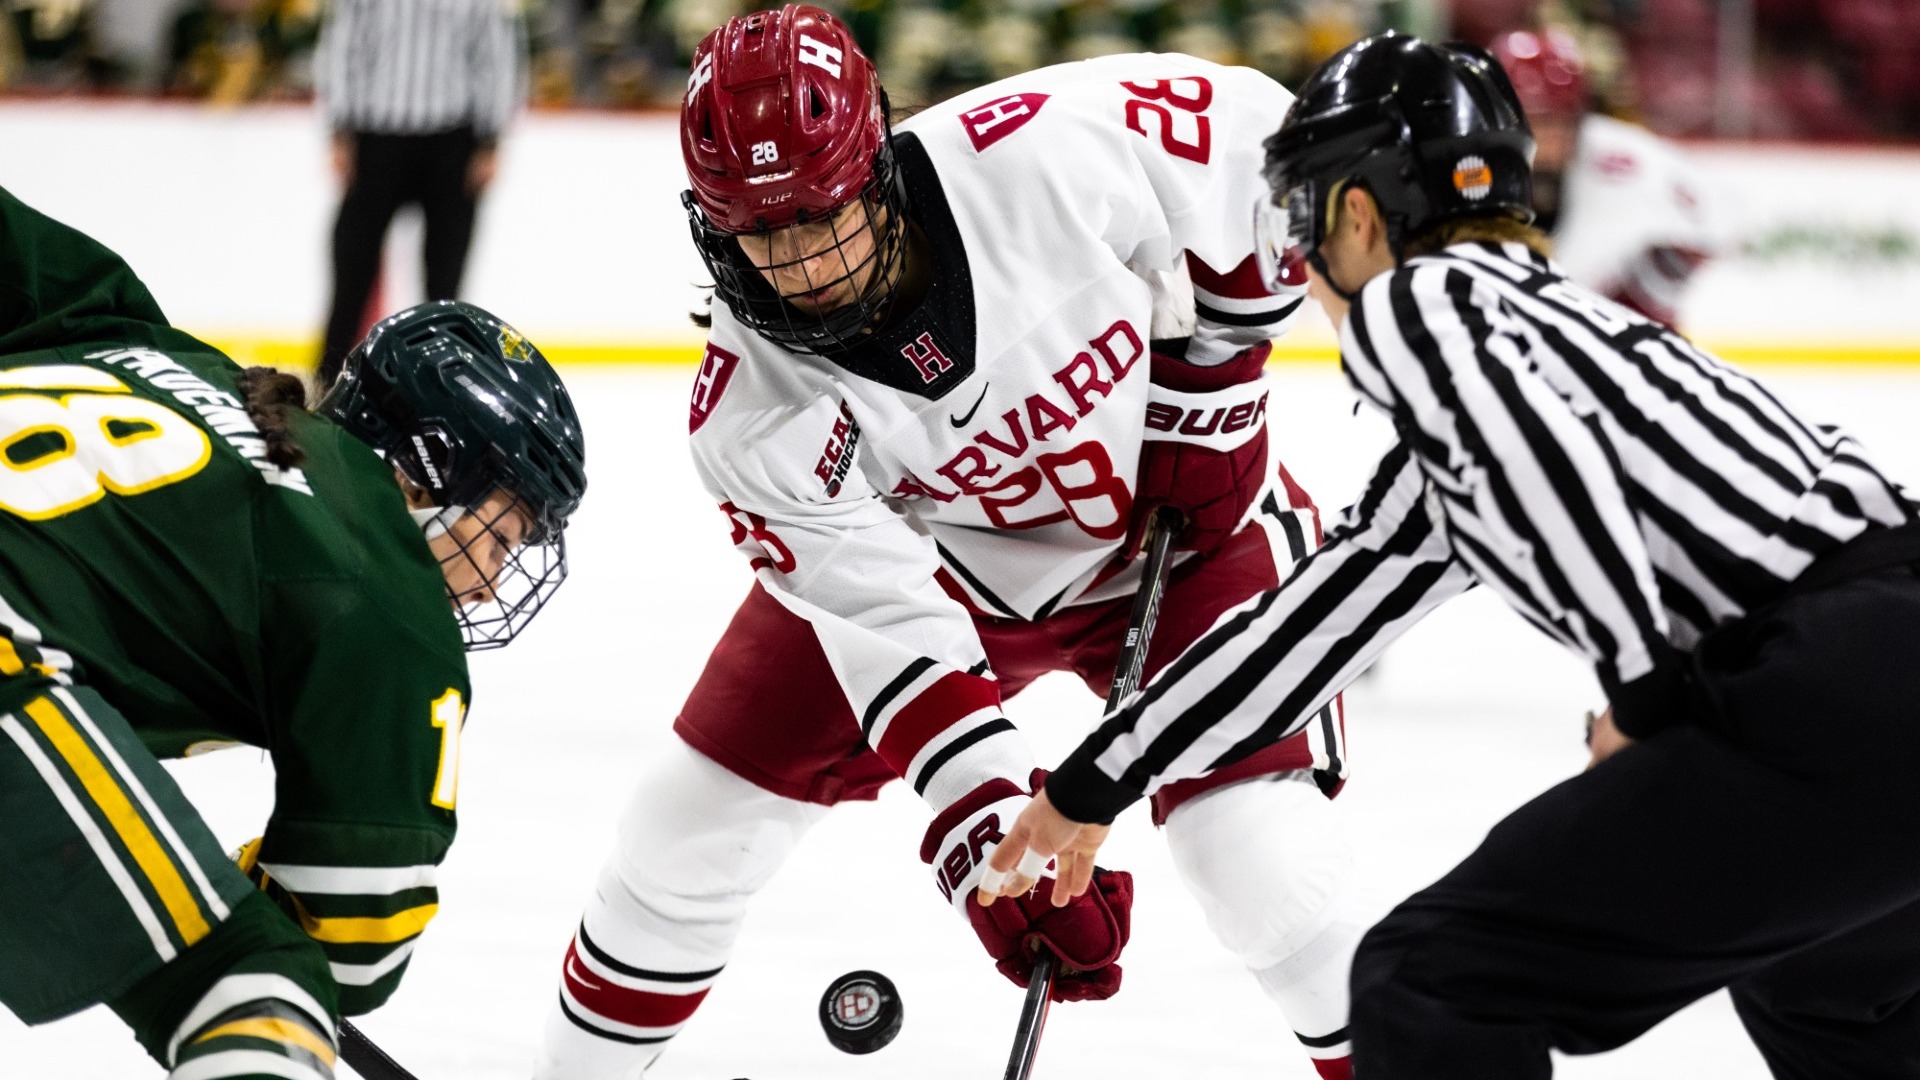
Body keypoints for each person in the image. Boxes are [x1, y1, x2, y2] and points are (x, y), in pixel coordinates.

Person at [986, 30, 1920, 1079]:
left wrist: (1645, 690)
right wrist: (1095, 781)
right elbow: (1298, 639)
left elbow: (1543, 457)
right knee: (1830, 992)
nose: (1299, 264)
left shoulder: (1429, 300)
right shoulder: (1549, 353)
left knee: (1432, 978)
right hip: (1883, 664)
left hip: (1838, 680)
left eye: (1303, 219)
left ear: (1355, 211)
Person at [535, 6, 1364, 1079]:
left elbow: (1267, 153)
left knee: (1257, 860)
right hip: (955, 565)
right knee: (684, 827)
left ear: (874, 165)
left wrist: (1211, 392)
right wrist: (992, 844)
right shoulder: (749, 413)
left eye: (816, 215)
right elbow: (889, 621)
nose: (793, 263)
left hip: (1190, 532)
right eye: (756, 229)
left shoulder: (1044, 150)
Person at [0, 185, 586, 1080]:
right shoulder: (388, 590)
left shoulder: (141, 342)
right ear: (425, 481)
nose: (495, 577)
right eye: (503, 534)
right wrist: (251, 900)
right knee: (253, 986)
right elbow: (353, 949)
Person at [313, 0, 526, 385]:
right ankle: (325, 385)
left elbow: (495, 51)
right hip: (375, 137)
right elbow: (343, 44)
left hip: (451, 140)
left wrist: (491, 139)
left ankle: (438, 387)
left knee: (443, 288)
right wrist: (339, 129)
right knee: (350, 279)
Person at [1490, 27, 1724, 328]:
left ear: (1577, 119)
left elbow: (1715, 221)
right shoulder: (1458, 164)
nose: (1543, 141)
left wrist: (1647, 290)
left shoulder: (1625, 158)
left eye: (1555, 122)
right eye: (1531, 122)